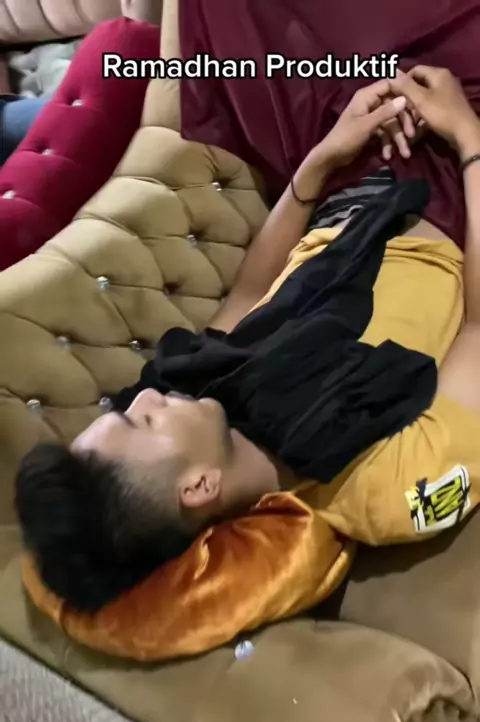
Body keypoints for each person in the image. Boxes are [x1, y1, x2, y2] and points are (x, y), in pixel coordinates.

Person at [14, 66, 480, 613]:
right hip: (453, 206)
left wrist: (324, 159)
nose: (143, 398)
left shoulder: (200, 387)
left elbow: (248, 293)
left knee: (227, 28)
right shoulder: (384, 489)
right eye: (141, 422)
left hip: (348, 182)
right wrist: (467, 137)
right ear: (198, 487)